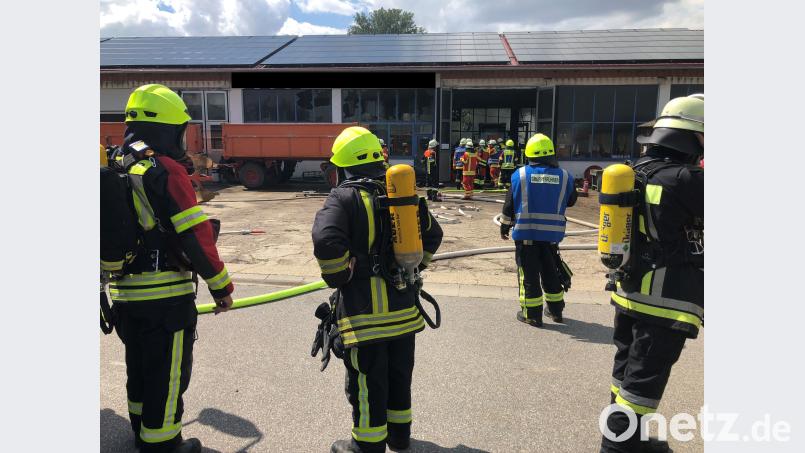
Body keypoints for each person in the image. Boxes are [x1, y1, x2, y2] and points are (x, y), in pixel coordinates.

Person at [106, 84, 234, 453]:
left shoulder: (117, 162)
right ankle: (163, 444)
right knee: (167, 374)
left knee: (140, 367)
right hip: (166, 297)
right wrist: (221, 287)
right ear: (166, 129)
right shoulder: (164, 170)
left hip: (124, 292)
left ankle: (141, 430)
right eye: (180, 130)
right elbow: (194, 235)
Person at [312, 126, 443, 453]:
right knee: (399, 378)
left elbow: (326, 241)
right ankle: (399, 438)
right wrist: (413, 267)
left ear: (343, 166)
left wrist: (339, 274)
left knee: (368, 385)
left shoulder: (343, 197)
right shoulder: (401, 195)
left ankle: (366, 446)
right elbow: (433, 235)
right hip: (404, 314)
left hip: (364, 318)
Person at [600, 95, 704, 453]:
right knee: (643, 383)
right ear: (695, 138)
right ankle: (617, 447)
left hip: (628, 289)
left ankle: (627, 437)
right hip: (665, 298)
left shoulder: (637, 170)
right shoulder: (689, 179)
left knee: (626, 372)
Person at [499, 133, 577, 326]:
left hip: (527, 237)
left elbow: (509, 204)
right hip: (552, 238)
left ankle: (532, 315)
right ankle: (556, 311)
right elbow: (572, 200)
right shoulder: (565, 176)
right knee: (552, 272)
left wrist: (504, 225)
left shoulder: (521, 175)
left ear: (529, 154)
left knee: (529, 277)